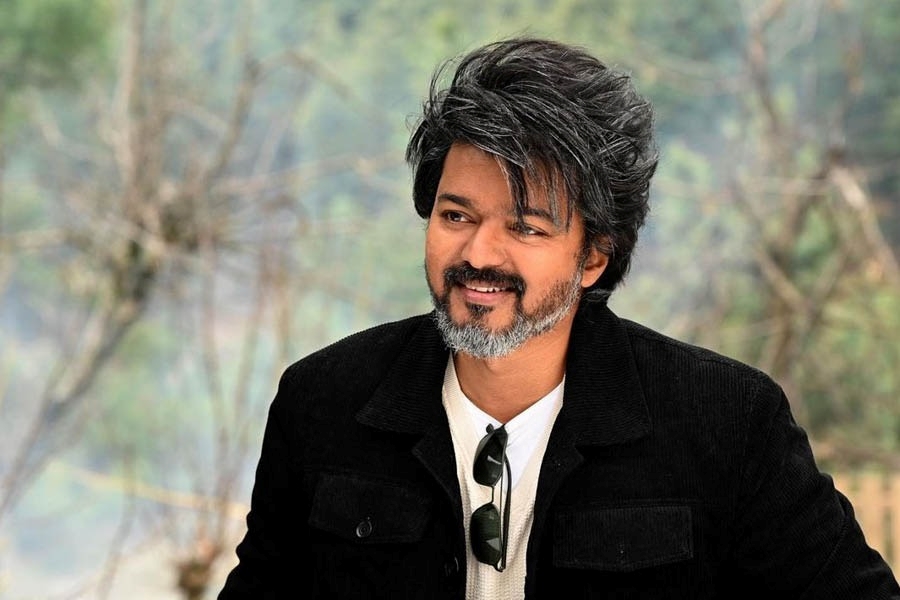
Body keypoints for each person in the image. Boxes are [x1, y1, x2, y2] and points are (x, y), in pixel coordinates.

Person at [218, 37, 900, 599]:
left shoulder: (728, 421)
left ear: (594, 256)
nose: (478, 254)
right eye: (456, 215)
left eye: (526, 227)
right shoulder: (322, 403)